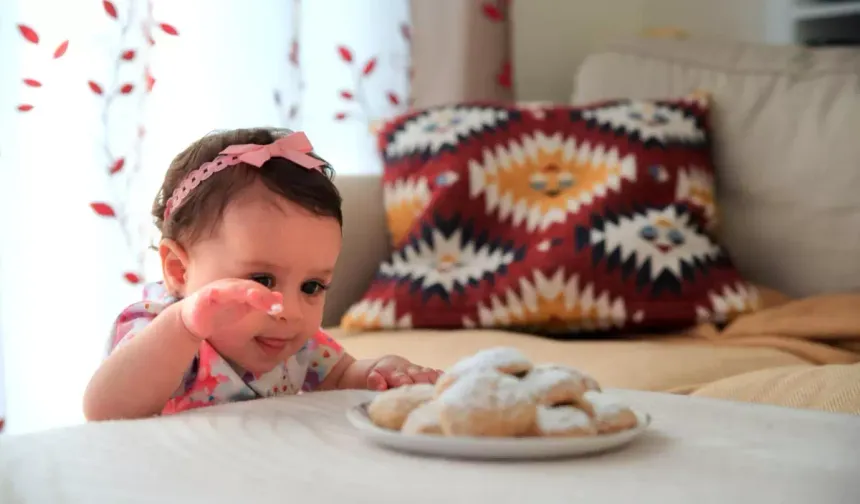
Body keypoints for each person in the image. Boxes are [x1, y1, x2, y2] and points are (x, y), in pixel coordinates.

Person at [84, 127, 441, 421]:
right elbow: (105, 411)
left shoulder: (295, 346)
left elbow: (342, 378)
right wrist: (184, 325)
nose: (289, 309)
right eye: (262, 281)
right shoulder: (159, 332)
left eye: (311, 286)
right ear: (179, 270)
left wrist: (381, 370)